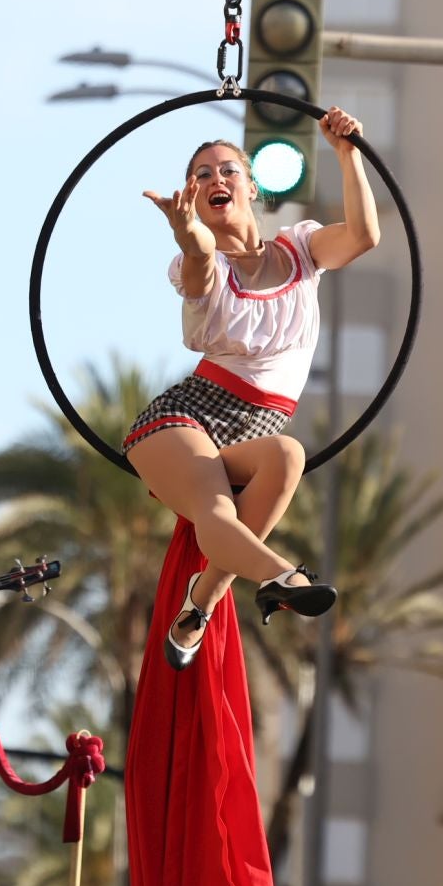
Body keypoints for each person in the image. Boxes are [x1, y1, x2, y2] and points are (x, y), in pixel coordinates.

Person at [129, 107, 381, 669]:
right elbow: (197, 252)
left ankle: (204, 598)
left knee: (288, 454)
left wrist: (347, 153)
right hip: (188, 417)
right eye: (201, 175)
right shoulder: (197, 263)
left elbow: (365, 236)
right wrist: (186, 229)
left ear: (251, 186)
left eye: (226, 170)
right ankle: (281, 576)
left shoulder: (300, 250)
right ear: (192, 197)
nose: (215, 179)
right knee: (214, 508)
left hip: (258, 429)